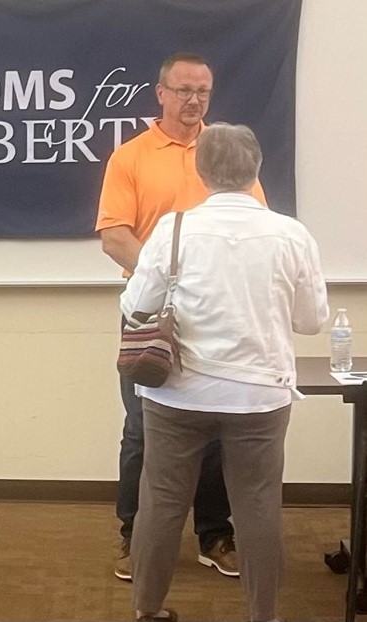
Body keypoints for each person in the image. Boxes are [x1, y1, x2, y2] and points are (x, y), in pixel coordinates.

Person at [121, 122, 329, 622]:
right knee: (258, 505)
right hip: (259, 397)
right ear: (256, 169)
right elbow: (311, 321)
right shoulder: (291, 234)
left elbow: (135, 307)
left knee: (162, 501)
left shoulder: (173, 229)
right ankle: (263, 615)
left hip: (177, 394)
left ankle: (147, 610)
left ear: (202, 171)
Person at [96, 52, 267, 581]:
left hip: (217, 317)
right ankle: (134, 535)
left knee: (215, 425)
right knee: (142, 427)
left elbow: (257, 229)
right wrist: (171, 282)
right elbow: (114, 236)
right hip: (149, 315)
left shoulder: (228, 154)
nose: (195, 101)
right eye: (184, 90)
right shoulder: (130, 157)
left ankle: (215, 535)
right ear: (161, 94)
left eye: (203, 92)